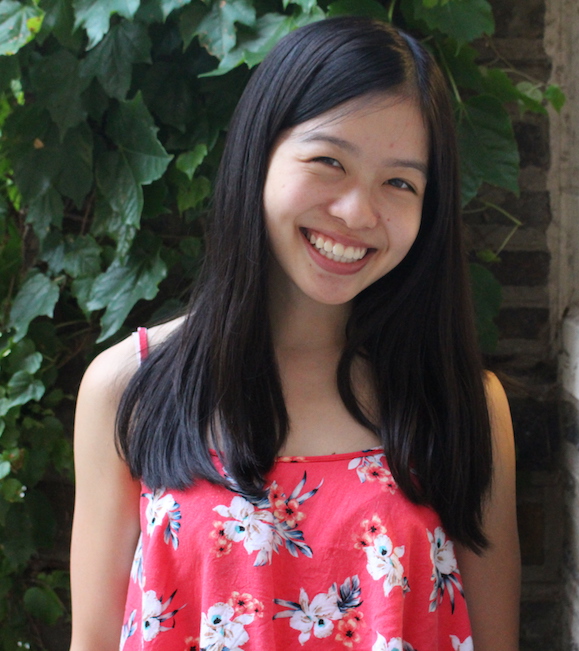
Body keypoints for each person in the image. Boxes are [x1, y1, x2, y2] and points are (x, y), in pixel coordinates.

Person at [69, 16, 520, 651]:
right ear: (259, 155)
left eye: (399, 182)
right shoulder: (130, 388)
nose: (357, 212)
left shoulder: (463, 404)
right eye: (329, 161)